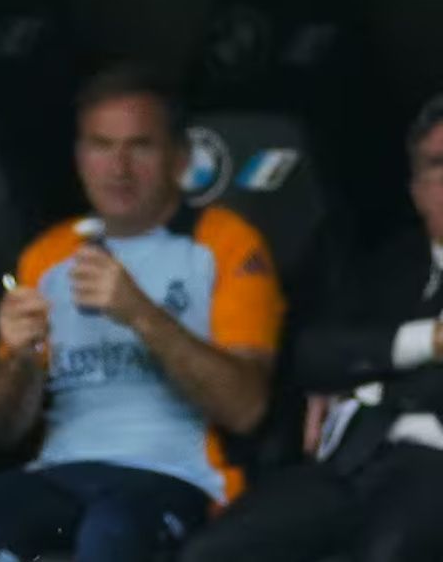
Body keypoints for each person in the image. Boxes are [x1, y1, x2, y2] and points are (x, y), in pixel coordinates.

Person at [0, 64, 285, 562]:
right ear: (80, 157)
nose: (119, 168)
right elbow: (3, 431)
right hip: (62, 470)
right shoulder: (46, 255)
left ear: (180, 159)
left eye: (140, 147)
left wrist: (140, 314)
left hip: (178, 474)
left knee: (112, 533)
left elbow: (247, 409)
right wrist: (21, 361)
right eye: (101, 146)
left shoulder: (226, 244)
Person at [179, 94, 443, 562]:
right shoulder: (389, 265)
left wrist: (368, 389)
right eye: (437, 165)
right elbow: (313, 352)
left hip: (429, 469)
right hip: (350, 462)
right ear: (416, 190)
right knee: (210, 552)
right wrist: (428, 342)